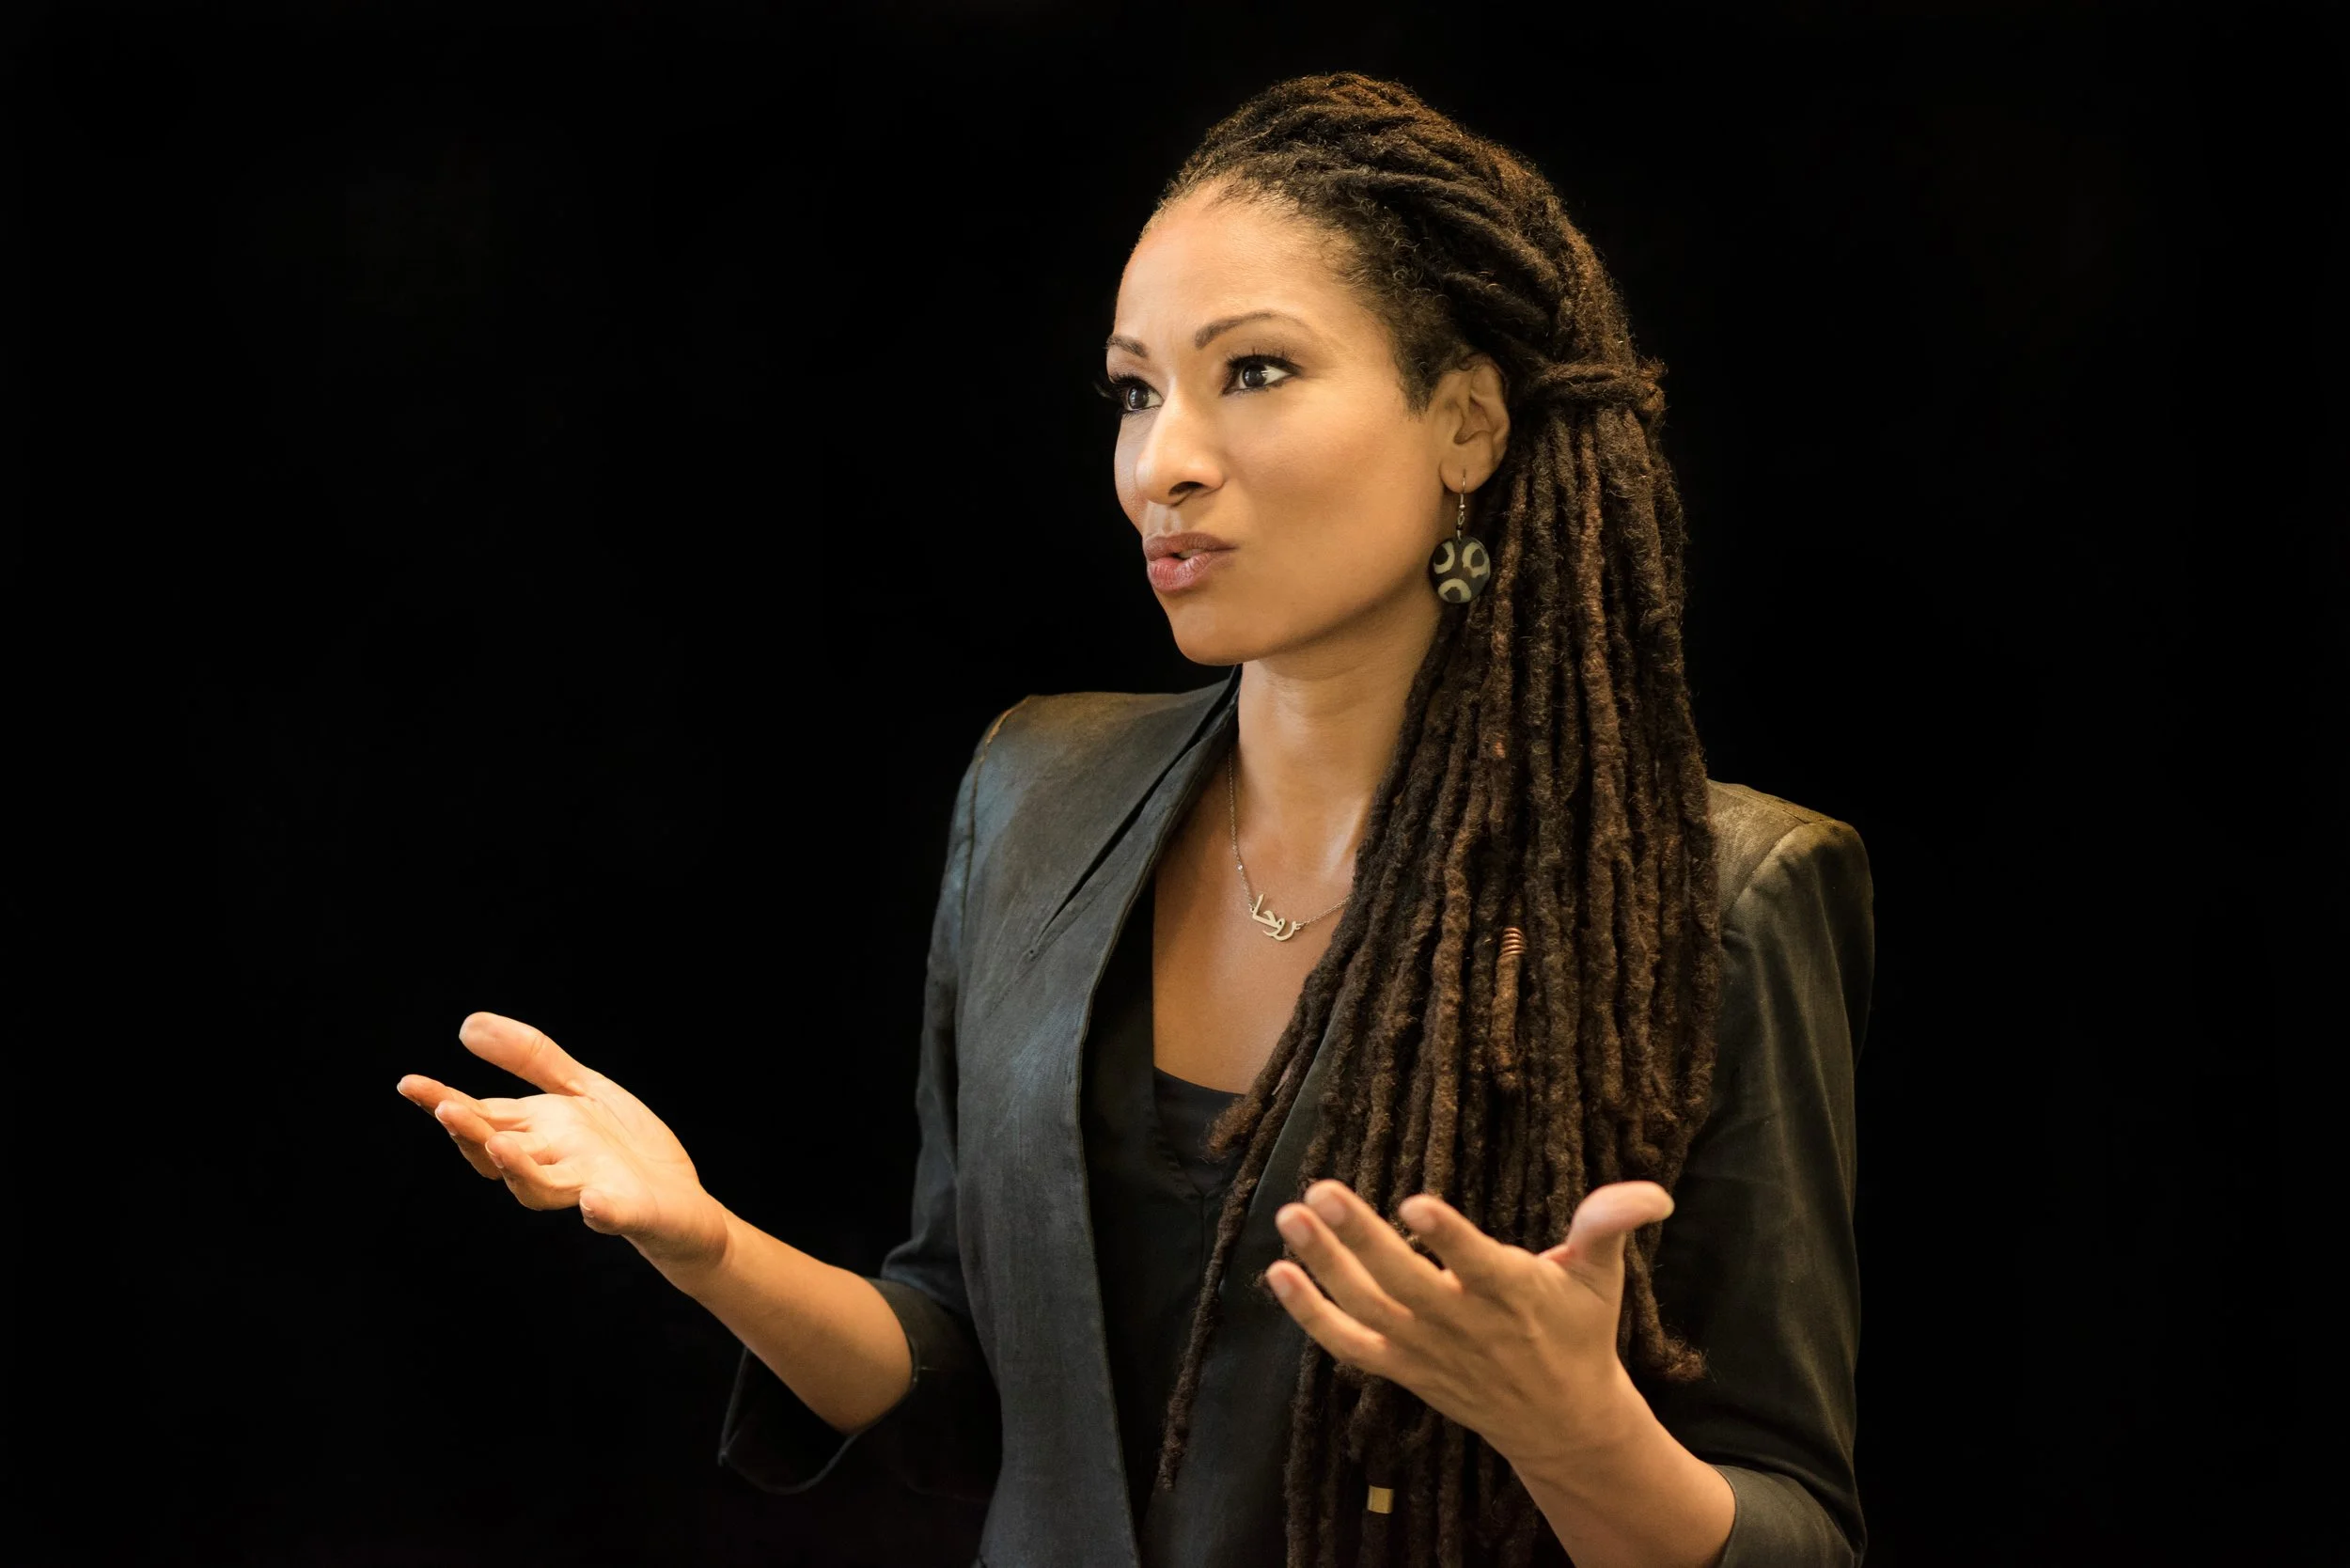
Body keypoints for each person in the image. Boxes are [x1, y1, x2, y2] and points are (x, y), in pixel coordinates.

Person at [397, 73, 1873, 1568]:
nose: (1161, 461)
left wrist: (1577, 1434)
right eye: (1134, 389)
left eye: (1255, 373)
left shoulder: (1726, 899)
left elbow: (1792, 1530)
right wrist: (703, 1244)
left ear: (1469, 426)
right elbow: (966, 1376)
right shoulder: (1037, 794)